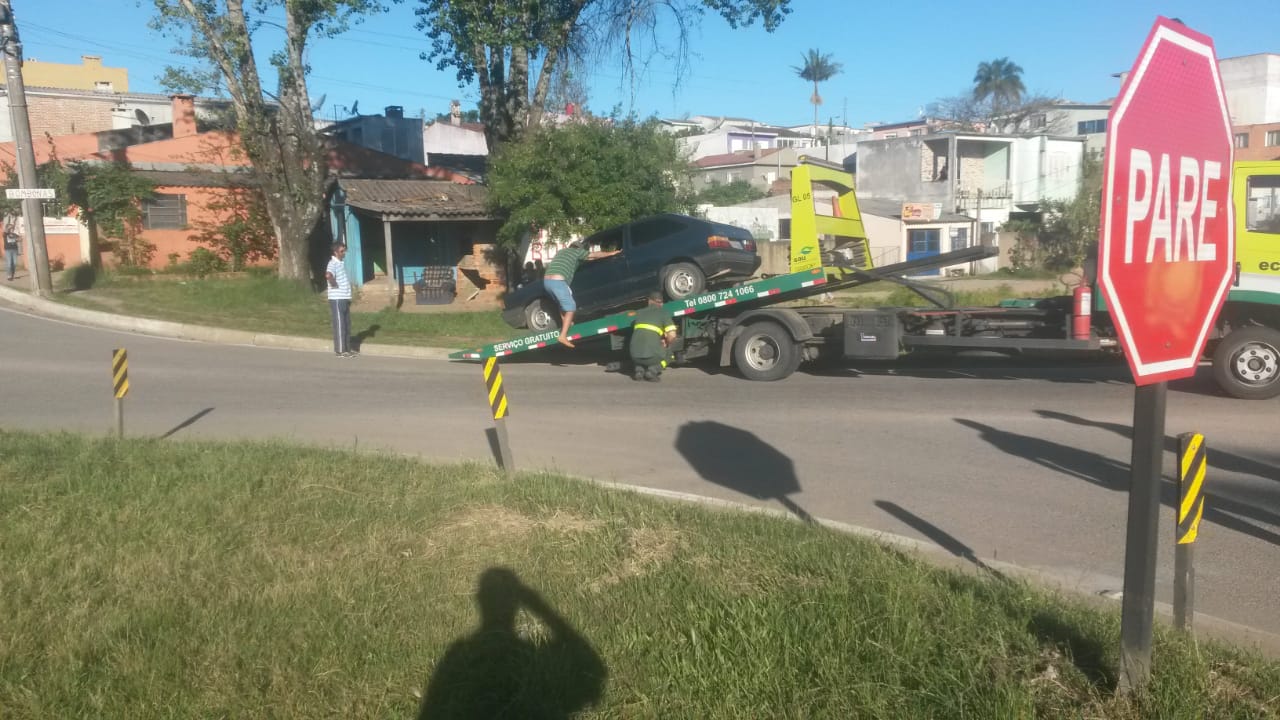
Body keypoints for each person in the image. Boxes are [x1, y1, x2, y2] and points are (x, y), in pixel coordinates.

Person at [542, 241, 619, 347]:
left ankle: (567, 323)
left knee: (562, 303)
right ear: (579, 248)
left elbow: (589, 258)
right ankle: (562, 336)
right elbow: (594, 255)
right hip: (558, 281)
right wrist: (611, 253)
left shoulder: (561, 252)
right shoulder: (577, 252)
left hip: (547, 282)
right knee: (571, 307)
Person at [628, 291, 677, 382]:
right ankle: (652, 371)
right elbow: (672, 335)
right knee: (670, 355)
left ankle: (639, 370)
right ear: (661, 303)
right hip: (651, 357)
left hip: (634, 356)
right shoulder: (663, 313)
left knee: (641, 347)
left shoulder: (639, 312)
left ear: (649, 301)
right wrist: (666, 343)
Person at [325, 242, 355, 357]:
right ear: (335, 252)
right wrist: (334, 285)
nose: (344, 253)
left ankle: (347, 349)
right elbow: (328, 275)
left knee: (347, 324)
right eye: (342, 251)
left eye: (344, 250)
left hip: (344, 298)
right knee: (340, 324)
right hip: (337, 298)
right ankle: (340, 351)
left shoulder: (340, 263)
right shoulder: (333, 263)